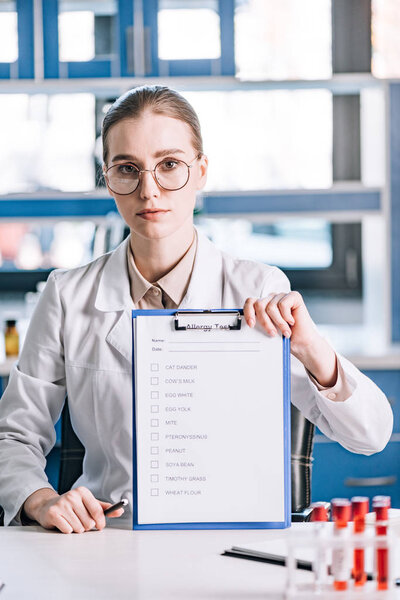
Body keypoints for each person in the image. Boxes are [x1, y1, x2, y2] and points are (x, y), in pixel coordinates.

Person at [0, 85, 393, 533]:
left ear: (201, 170)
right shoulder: (68, 295)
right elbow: (13, 436)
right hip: (110, 538)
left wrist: (311, 349)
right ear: (108, 178)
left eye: (170, 165)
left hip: (229, 535)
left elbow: (370, 435)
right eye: (127, 169)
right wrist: (40, 499)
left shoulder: (258, 288)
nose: (149, 189)